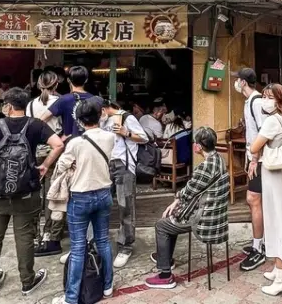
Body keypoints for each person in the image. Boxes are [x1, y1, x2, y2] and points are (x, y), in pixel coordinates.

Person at [0, 87, 65, 296]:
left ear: (8, 106)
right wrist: (45, 165)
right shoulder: (35, 125)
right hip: (26, 191)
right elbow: (58, 145)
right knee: (25, 236)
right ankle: (27, 280)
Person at [145, 126, 230, 289]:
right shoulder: (219, 159)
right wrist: (177, 203)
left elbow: (188, 191)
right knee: (173, 217)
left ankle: (165, 275)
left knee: (162, 225)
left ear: (198, 147)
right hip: (216, 216)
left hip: (203, 219)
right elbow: (192, 190)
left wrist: (175, 202)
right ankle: (166, 258)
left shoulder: (205, 167)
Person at [51, 97, 115, 304]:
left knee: (78, 247)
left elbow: (61, 166)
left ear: (79, 120)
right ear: (100, 115)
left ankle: (71, 297)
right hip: (104, 193)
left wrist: (73, 165)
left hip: (80, 196)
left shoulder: (76, 143)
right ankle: (107, 286)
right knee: (103, 241)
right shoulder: (109, 137)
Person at [249, 84, 282, 296]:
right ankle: (279, 270)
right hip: (279, 177)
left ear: (279, 100)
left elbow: (254, 146)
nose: (265, 100)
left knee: (278, 223)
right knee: (279, 220)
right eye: (264, 96)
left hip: (274, 177)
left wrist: (255, 152)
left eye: (269, 97)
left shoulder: (272, 121)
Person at [101, 101, 148, 268]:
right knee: (100, 204)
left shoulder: (126, 118)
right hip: (106, 164)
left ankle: (126, 245)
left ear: (105, 108)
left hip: (124, 165)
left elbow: (144, 138)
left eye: (100, 112)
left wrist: (125, 132)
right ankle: (95, 242)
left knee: (125, 205)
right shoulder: (102, 120)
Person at [232, 67, 268, 271]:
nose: (236, 83)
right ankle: (260, 242)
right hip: (254, 158)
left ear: (244, 82)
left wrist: (254, 158)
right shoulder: (250, 102)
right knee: (256, 201)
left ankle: (259, 248)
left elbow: (265, 132)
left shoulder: (256, 102)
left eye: (237, 80)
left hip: (260, 161)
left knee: (253, 200)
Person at [28, 71, 65, 257]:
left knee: (36, 193)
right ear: (56, 84)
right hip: (55, 149)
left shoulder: (30, 104)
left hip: (35, 151)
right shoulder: (61, 102)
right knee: (55, 194)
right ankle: (51, 234)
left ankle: (34, 236)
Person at [39, 66, 96, 141]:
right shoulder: (95, 99)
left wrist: (54, 139)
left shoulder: (64, 99)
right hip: (90, 142)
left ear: (68, 80)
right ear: (86, 80)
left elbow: (41, 120)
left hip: (69, 143)